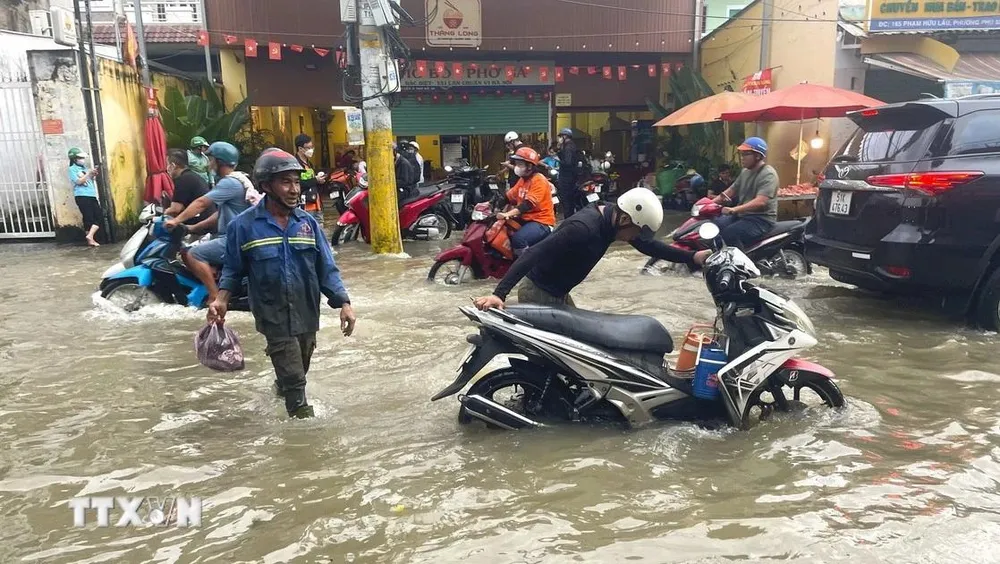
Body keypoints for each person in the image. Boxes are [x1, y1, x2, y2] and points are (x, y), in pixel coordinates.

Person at [209, 149, 357, 419]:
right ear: (266, 186)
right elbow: (232, 269)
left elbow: (326, 268)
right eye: (286, 182)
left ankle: (281, 389)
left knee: (300, 366)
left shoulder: (308, 224)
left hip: (307, 312)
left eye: (296, 182)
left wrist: (344, 303)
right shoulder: (243, 226)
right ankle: (302, 426)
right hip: (272, 314)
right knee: (296, 383)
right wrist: (221, 300)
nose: (294, 189)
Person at [473, 188, 711, 309]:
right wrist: (499, 294)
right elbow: (535, 252)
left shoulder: (612, 219)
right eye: (637, 232)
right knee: (561, 358)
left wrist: (693, 257)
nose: (636, 238)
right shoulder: (583, 228)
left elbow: (649, 246)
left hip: (558, 293)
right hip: (538, 293)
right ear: (625, 219)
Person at [165, 142, 249, 304]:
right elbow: (218, 215)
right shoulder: (236, 180)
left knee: (193, 254)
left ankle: (215, 297)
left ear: (219, 161)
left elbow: (202, 203)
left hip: (232, 239)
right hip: (232, 236)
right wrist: (191, 228)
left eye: (211, 159)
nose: (208, 164)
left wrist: (176, 220)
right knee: (186, 251)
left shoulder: (229, 183)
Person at [711, 137, 779, 249]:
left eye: (746, 154)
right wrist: (708, 205)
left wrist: (734, 209)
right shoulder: (745, 172)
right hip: (743, 216)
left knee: (730, 233)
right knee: (714, 226)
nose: (742, 158)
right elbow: (731, 191)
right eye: (741, 154)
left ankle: (741, 260)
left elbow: (760, 202)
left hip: (761, 219)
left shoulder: (768, 174)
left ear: (758, 156)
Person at [500, 147, 556, 254]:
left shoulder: (538, 180)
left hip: (541, 221)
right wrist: (490, 204)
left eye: (520, 164)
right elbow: (509, 197)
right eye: (516, 164)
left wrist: (508, 214)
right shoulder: (523, 180)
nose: (517, 167)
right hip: (526, 219)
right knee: (504, 230)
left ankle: (525, 263)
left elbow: (527, 205)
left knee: (518, 240)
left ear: (529, 166)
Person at [165, 149, 214, 227]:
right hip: (206, 220)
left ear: (173, 166)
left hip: (198, 224)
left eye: (167, 164)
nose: (166, 168)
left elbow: (175, 209)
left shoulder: (183, 179)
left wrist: (162, 213)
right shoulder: (191, 176)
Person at [67, 148, 103, 247]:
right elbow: (78, 181)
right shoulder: (72, 169)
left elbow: (88, 180)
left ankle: (90, 238)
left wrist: (93, 175)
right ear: (75, 159)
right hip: (82, 195)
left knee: (96, 216)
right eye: (80, 158)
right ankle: (90, 236)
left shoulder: (84, 168)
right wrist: (88, 173)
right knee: (90, 218)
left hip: (91, 194)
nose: (82, 159)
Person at [293, 134, 326, 226]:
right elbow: (297, 184)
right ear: (300, 148)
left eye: (312, 147)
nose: (311, 150)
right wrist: (315, 180)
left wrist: (320, 181)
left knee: (319, 230)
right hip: (305, 207)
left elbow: (312, 182)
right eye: (308, 148)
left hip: (317, 204)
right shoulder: (295, 165)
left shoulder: (309, 163)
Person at [556, 128, 582, 218]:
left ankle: (568, 219)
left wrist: (558, 160)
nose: (559, 139)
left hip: (567, 178)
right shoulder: (569, 146)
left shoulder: (568, 147)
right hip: (571, 177)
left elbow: (567, 162)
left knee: (567, 201)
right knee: (569, 201)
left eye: (560, 136)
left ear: (565, 136)